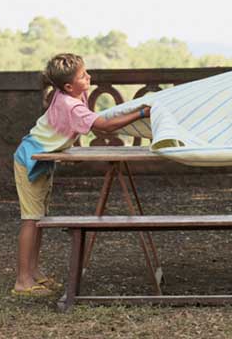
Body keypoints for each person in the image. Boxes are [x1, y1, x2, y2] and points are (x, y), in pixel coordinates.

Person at [12, 53, 150, 296]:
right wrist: (140, 114)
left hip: (42, 159)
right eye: (83, 76)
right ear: (68, 85)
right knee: (31, 220)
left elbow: (93, 121)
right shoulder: (70, 103)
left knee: (39, 219)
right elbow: (104, 126)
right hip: (30, 160)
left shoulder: (71, 94)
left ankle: (34, 273)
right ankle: (23, 281)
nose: (89, 77)